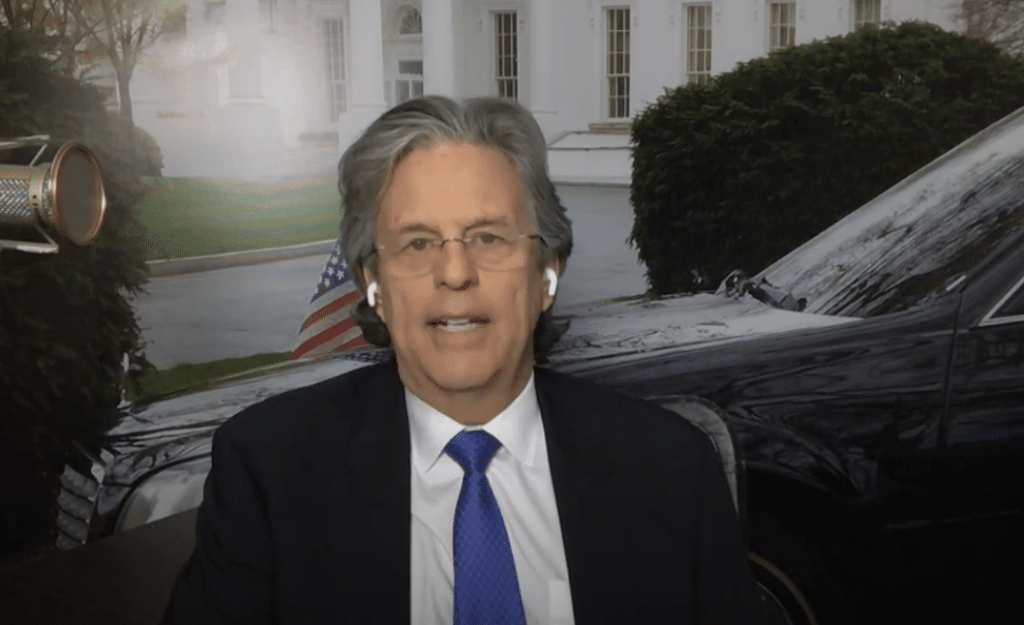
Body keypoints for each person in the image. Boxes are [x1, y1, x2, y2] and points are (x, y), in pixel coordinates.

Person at [162, 96, 763, 624]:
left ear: (546, 275)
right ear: (374, 285)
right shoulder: (268, 471)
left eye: (488, 237)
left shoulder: (672, 468)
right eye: (418, 243)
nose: (455, 273)